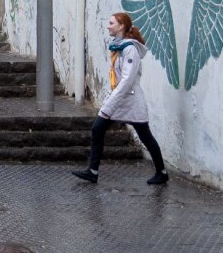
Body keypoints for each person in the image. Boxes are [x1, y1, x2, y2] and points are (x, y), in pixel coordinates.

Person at [72, 12, 169, 186]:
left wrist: (110, 101)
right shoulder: (119, 46)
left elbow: (127, 80)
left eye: (111, 23)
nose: (108, 26)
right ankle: (93, 171)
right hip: (120, 98)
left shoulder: (130, 49)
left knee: (145, 136)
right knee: (97, 128)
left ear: (121, 26)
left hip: (130, 100)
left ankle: (161, 172)